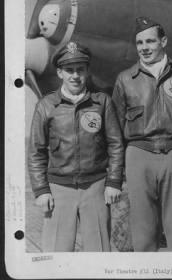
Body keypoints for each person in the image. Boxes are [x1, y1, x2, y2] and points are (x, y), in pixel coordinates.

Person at [112, 17, 172, 251]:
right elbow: (116, 126)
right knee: (142, 229)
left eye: (150, 41)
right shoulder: (124, 79)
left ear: (163, 41)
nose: (145, 47)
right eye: (140, 42)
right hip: (139, 154)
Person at [28, 41, 124, 252]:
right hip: (59, 190)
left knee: (98, 252)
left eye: (80, 69)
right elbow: (36, 152)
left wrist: (114, 181)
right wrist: (41, 190)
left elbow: (116, 145)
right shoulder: (46, 105)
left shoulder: (103, 103)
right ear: (60, 72)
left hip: (96, 187)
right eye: (69, 70)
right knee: (57, 254)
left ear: (87, 71)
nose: (75, 75)